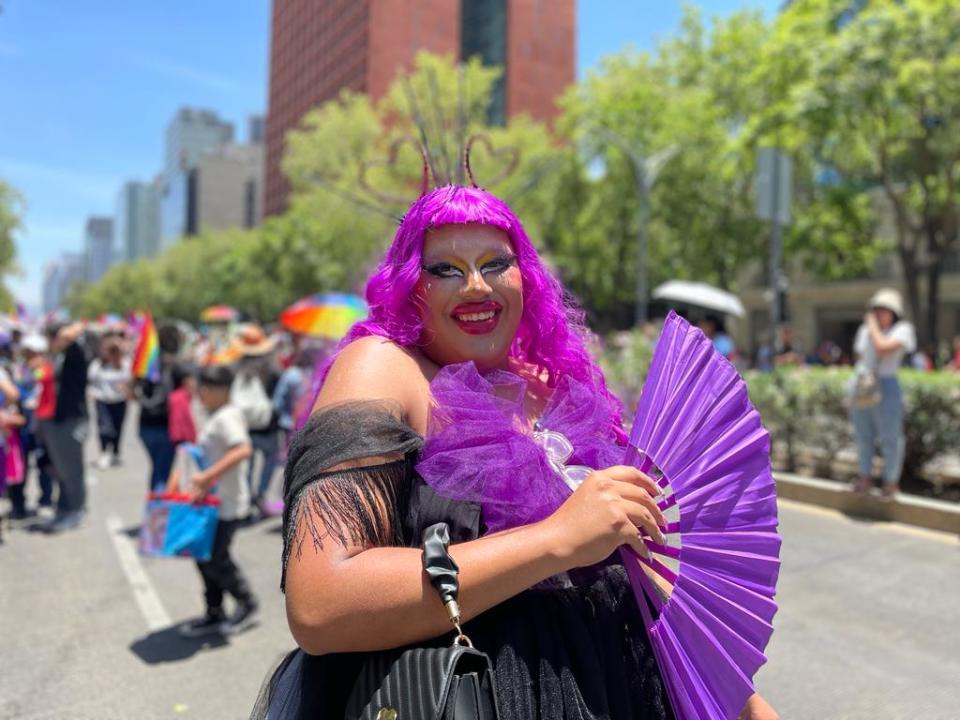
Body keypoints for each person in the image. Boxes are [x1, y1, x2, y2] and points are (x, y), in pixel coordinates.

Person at [251, 185, 776, 720]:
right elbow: (322, 603)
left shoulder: (552, 386)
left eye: (495, 262)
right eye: (445, 270)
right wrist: (555, 539)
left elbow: (632, 566)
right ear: (411, 288)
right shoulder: (384, 367)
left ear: (526, 276)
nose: (476, 285)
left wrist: (743, 700)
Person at [173, 364, 258, 637]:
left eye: (203, 389)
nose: (200, 394)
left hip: (226, 504)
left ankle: (247, 602)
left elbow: (243, 449)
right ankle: (213, 611)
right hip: (211, 505)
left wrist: (207, 476)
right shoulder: (218, 414)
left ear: (212, 390)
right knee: (204, 557)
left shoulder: (227, 417)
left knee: (216, 559)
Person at [850, 288, 916, 498]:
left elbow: (882, 347)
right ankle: (864, 476)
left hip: (888, 385)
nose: (879, 313)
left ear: (894, 313)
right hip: (864, 382)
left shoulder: (903, 330)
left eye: (884, 309)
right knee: (863, 435)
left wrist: (872, 327)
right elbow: (862, 358)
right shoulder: (864, 331)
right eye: (876, 309)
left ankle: (890, 481)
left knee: (891, 437)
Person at [38, 322, 90, 533]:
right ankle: (64, 509)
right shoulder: (56, 356)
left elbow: (74, 331)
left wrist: (64, 333)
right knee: (60, 470)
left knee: (71, 470)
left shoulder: (75, 352)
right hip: (54, 419)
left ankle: (75, 510)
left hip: (70, 420)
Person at [230, 324, 282, 516]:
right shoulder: (272, 370)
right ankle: (260, 493)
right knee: (270, 460)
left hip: (244, 426)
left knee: (247, 466)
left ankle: (247, 497)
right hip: (268, 426)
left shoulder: (236, 368)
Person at [134, 323, 180, 492]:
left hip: (145, 424)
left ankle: (156, 509)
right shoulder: (176, 364)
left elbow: (133, 389)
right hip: (166, 425)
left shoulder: (147, 362)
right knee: (162, 473)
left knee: (158, 468)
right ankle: (157, 513)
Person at [87, 336, 131, 469]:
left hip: (119, 400)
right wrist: (92, 392)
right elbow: (91, 380)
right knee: (105, 428)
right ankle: (104, 452)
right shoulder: (98, 365)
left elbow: (130, 379)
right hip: (103, 400)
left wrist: (126, 387)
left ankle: (116, 452)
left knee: (118, 427)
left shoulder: (124, 364)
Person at [168, 362, 198, 448]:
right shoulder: (179, 398)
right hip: (184, 443)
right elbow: (178, 423)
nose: (196, 383)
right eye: (193, 380)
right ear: (185, 381)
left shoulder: (187, 396)